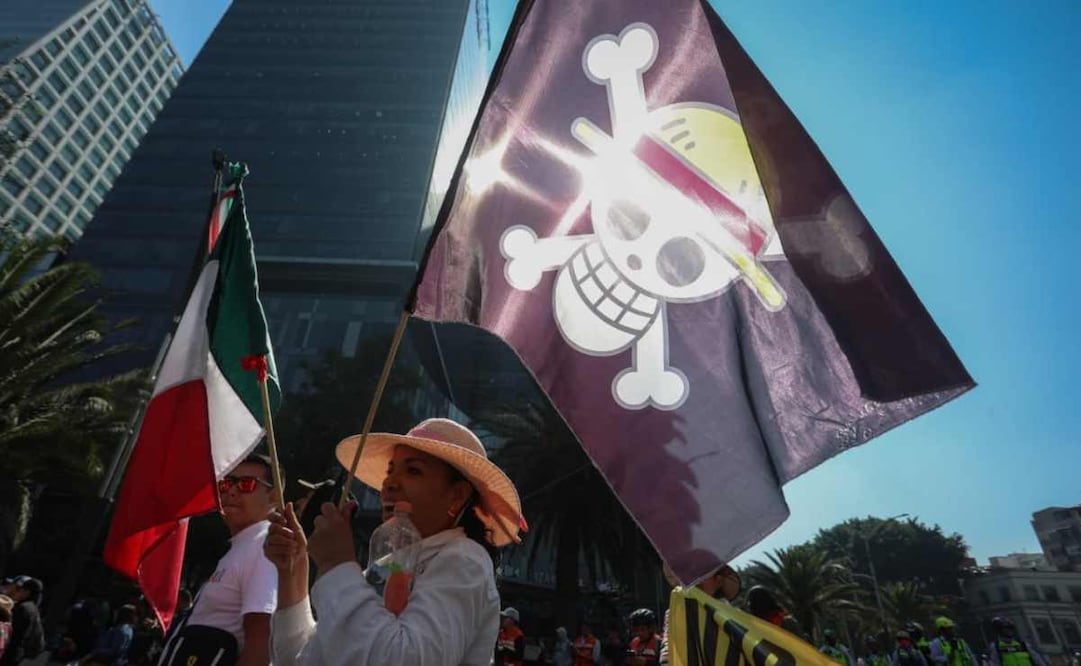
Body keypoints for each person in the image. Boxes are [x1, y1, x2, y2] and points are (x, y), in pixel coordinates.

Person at [265, 418, 526, 666]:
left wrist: (337, 565)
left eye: (413, 470)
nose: (389, 483)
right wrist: (294, 568)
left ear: (457, 495)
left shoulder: (464, 560)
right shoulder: (389, 565)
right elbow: (301, 659)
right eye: (391, 471)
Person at [159, 454, 281, 666]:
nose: (232, 491)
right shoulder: (243, 545)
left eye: (246, 484)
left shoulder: (264, 546)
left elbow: (261, 637)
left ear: (273, 497)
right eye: (226, 484)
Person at [0, 576, 44, 666]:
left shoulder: (22, 608)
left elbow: (11, 633)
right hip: (17, 654)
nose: (18, 592)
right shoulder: (33, 608)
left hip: (8, 653)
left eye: (20, 590)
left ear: (27, 592)